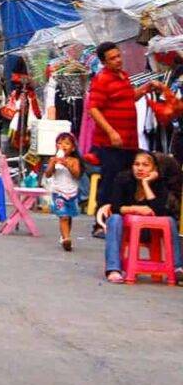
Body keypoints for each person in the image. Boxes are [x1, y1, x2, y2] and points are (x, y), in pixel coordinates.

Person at [88, 42, 162, 232]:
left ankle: (119, 220)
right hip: (110, 143)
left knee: (125, 179)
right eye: (113, 58)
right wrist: (111, 132)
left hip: (129, 141)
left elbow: (128, 98)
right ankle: (100, 223)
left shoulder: (123, 76)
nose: (118, 60)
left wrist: (145, 88)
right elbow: (93, 108)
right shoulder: (102, 79)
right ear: (104, 62)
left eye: (118, 56)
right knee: (110, 180)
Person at [98, 150, 183, 284]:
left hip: (151, 231)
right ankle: (113, 269)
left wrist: (146, 183)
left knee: (170, 221)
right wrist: (136, 209)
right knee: (114, 219)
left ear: (154, 168)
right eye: (137, 164)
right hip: (126, 231)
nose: (140, 168)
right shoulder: (123, 179)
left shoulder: (159, 183)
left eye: (145, 165)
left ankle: (178, 268)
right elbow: (115, 207)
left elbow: (160, 211)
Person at [44, 132, 83, 251]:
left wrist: (67, 164)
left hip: (71, 194)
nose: (62, 146)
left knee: (69, 215)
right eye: (59, 143)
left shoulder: (74, 161)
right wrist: (52, 163)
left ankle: (65, 236)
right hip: (59, 193)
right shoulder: (54, 159)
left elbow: (77, 175)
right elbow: (48, 174)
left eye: (66, 143)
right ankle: (66, 238)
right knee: (63, 216)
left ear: (73, 148)